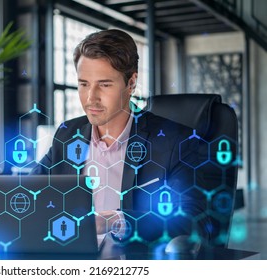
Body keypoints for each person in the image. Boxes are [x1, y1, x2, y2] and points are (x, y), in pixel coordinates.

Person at [30, 29, 211, 245]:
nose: (91, 98)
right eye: (83, 84)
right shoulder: (68, 134)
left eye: (104, 85)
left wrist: (116, 221)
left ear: (131, 83)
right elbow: (29, 193)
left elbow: (194, 220)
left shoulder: (176, 141)